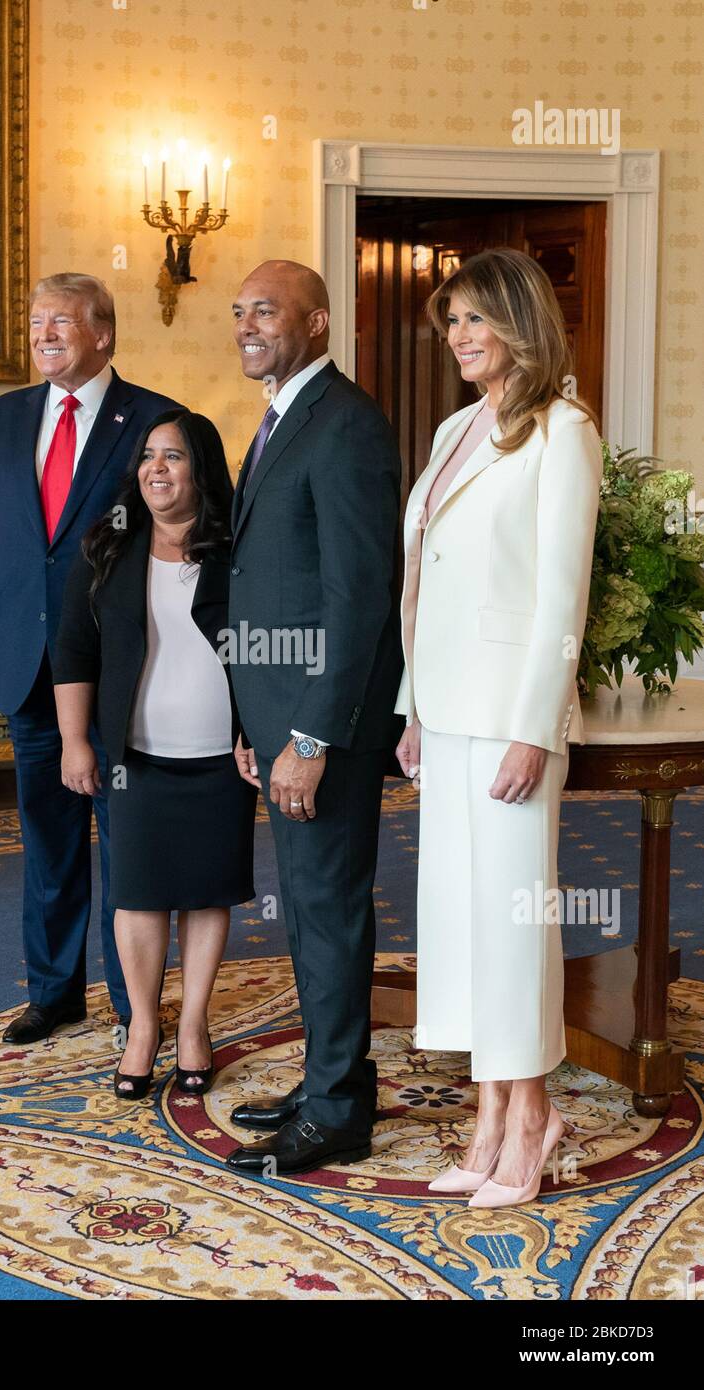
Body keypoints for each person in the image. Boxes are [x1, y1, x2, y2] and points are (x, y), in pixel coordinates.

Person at [394, 246, 602, 1208]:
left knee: (515, 924)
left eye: (475, 319)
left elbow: (564, 596)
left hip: (511, 715)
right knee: (464, 923)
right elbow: (423, 583)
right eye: (452, 322)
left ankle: (535, 1121)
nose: (459, 337)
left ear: (521, 324)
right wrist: (413, 710)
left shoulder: (565, 432)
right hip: (445, 711)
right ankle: (487, 1117)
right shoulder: (449, 433)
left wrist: (535, 726)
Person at [0, 273, 180, 1044]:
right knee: (47, 839)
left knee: (126, 838)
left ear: (104, 334)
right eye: (36, 320)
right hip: (23, 662)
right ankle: (54, 991)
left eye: (63, 321)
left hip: (120, 671)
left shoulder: (153, 419)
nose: (44, 333)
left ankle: (131, 1003)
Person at [224, 260, 402, 1175]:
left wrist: (311, 736)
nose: (249, 323)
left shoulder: (347, 425)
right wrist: (261, 727)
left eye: (269, 309)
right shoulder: (283, 417)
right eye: (240, 310)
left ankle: (338, 1109)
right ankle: (331, 1077)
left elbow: (357, 594)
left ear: (320, 321)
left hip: (323, 729)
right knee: (306, 909)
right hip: (283, 721)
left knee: (328, 910)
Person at [52, 410, 257, 1099]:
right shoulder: (108, 548)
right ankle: (143, 1026)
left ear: (202, 469)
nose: (156, 469)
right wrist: (77, 740)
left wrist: (260, 728)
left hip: (221, 758)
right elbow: (74, 650)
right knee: (136, 894)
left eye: (174, 457)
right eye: (148, 457)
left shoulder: (239, 549)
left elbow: (266, 648)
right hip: (131, 756)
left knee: (205, 890)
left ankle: (194, 1024)